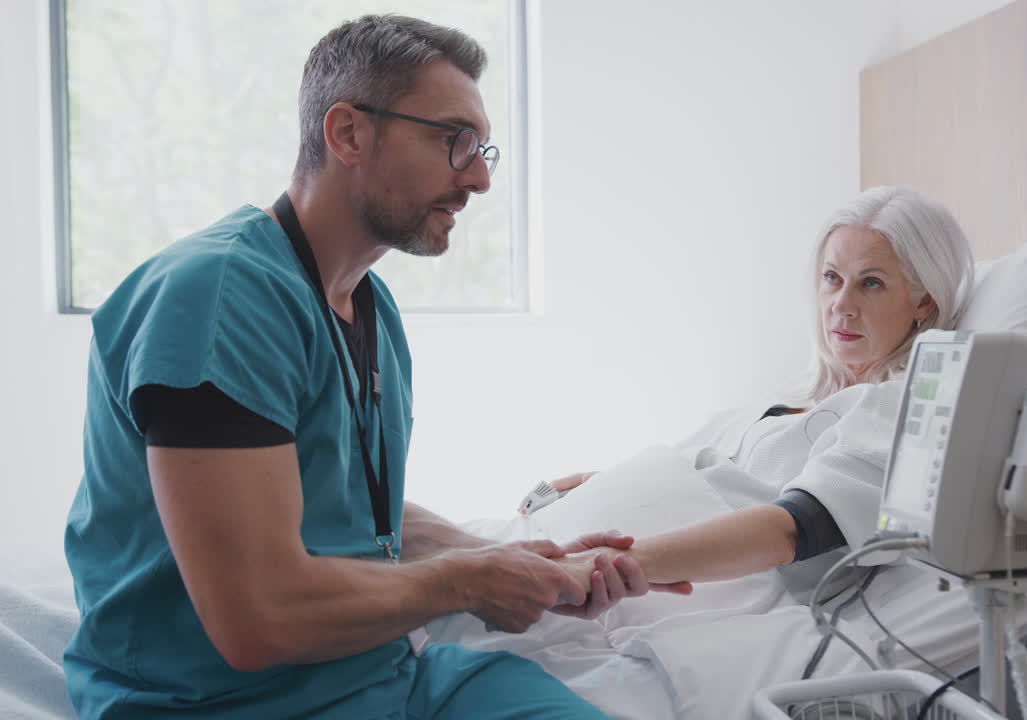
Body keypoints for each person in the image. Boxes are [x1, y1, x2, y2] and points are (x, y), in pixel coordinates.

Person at [62, 15, 688, 720]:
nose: (479, 177)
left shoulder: (368, 304)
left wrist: (520, 561)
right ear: (348, 133)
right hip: (224, 705)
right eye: (453, 141)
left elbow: (348, 511)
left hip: (391, 679)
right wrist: (468, 581)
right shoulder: (216, 298)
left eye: (483, 149)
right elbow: (257, 617)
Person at [550, 186, 974, 589]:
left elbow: (791, 530)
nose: (841, 305)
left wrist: (611, 566)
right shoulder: (794, 397)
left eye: (871, 283)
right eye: (832, 277)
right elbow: (697, 474)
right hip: (580, 543)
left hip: (632, 582)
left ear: (924, 301)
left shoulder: (901, 406)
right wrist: (605, 483)